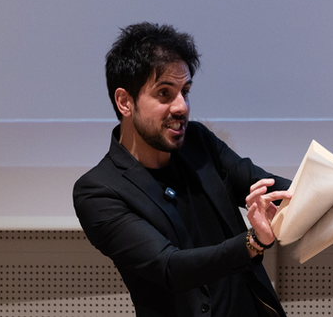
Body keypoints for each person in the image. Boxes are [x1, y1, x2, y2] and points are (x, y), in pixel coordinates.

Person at [73, 22, 293, 317]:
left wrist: (315, 188)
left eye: (185, 91)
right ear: (125, 102)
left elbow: (266, 185)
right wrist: (252, 242)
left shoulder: (198, 142)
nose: (182, 107)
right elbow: (170, 267)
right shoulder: (99, 191)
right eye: (164, 93)